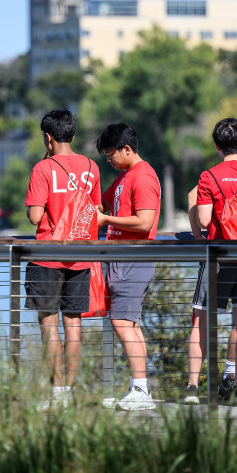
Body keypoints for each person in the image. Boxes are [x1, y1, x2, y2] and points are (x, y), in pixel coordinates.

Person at [24, 109, 101, 409]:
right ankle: (69, 391)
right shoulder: (91, 167)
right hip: (80, 256)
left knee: (48, 325)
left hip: (47, 257)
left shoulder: (42, 169)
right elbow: (95, 209)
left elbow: (35, 216)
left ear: (48, 137)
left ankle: (55, 393)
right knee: (74, 325)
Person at [187, 118, 237, 404]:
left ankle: (193, 388)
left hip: (218, 258)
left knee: (202, 321)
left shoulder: (209, 175)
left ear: (217, 146)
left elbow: (207, 219)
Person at [95, 123, 161, 411]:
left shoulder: (143, 177)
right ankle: (139, 387)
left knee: (121, 323)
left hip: (134, 257)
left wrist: (106, 221)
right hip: (122, 258)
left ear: (127, 149)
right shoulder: (125, 175)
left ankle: (141, 390)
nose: (108, 160)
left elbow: (145, 222)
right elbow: (104, 201)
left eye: (111, 155)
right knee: (130, 324)